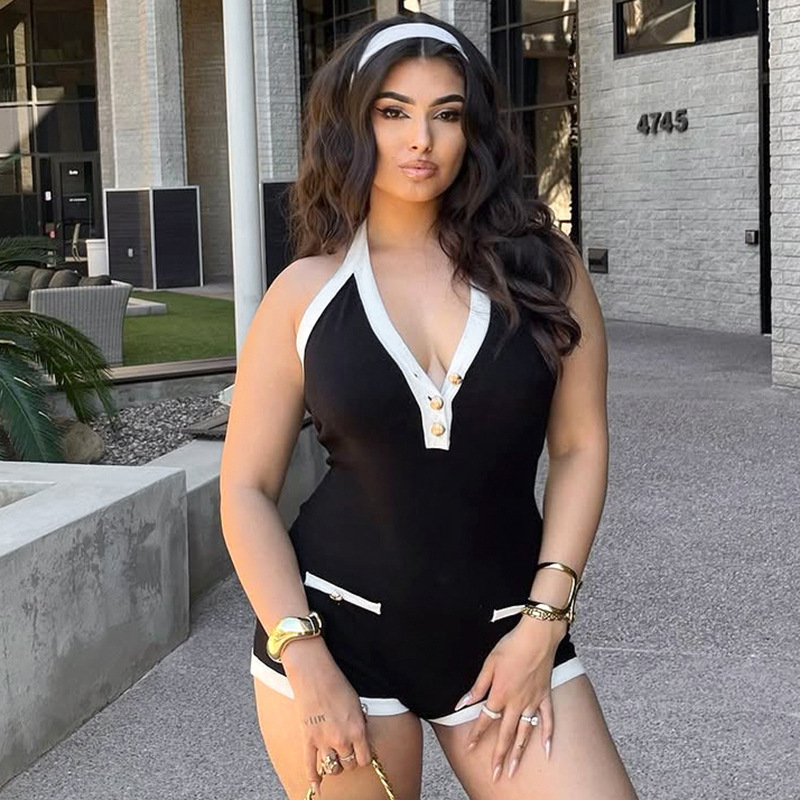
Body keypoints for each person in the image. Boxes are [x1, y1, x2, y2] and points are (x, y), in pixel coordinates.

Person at [220, 12, 640, 800]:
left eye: (446, 114)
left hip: (506, 630)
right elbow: (244, 488)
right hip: (335, 638)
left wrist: (544, 623)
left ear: (473, 129)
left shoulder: (547, 273)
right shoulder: (305, 293)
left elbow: (581, 446)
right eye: (394, 112)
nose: (422, 140)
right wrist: (303, 656)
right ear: (355, 124)